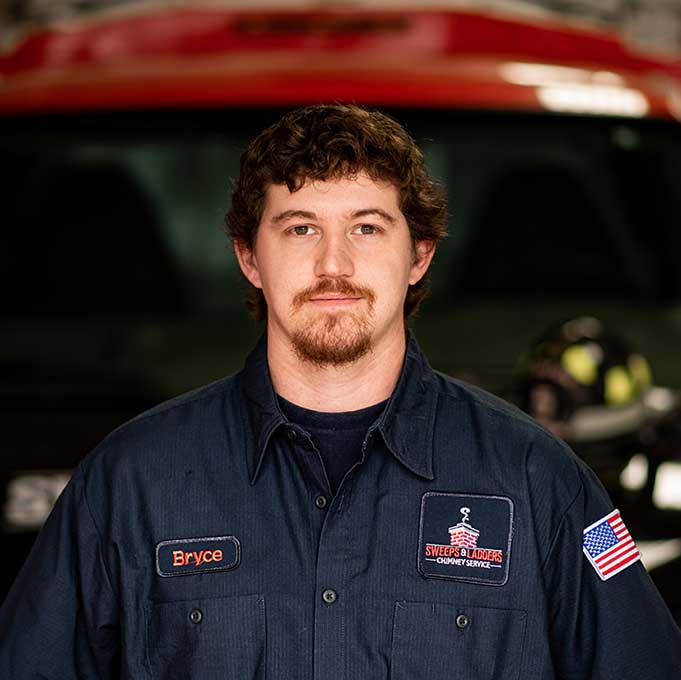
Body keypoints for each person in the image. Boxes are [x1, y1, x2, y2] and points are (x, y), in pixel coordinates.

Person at [1, 104, 680, 679]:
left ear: (418, 256)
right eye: (300, 228)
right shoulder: (129, 485)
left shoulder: (539, 482)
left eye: (365, 228)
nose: (333, 266)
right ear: (248, 257)